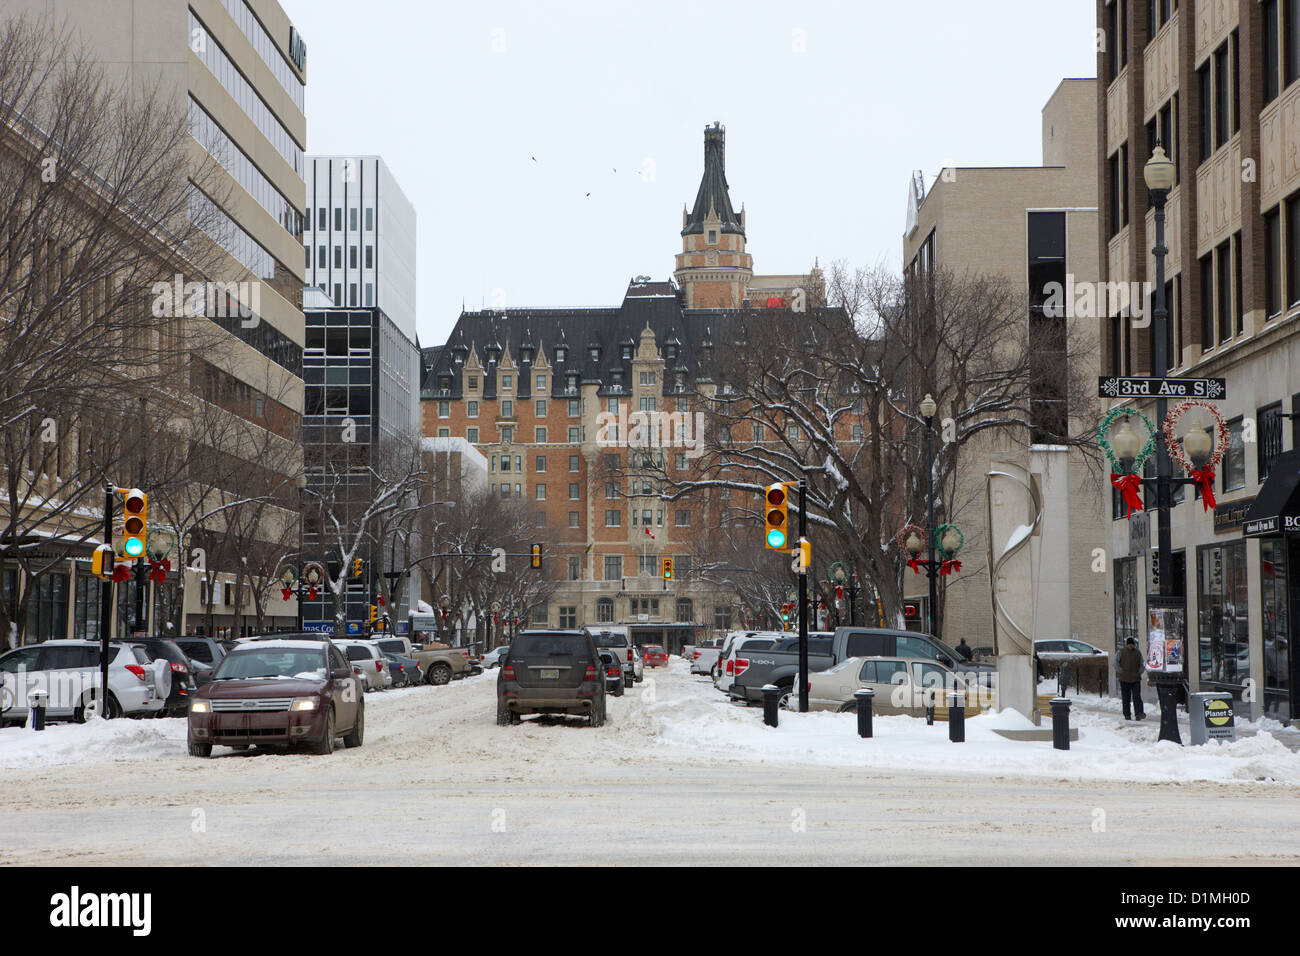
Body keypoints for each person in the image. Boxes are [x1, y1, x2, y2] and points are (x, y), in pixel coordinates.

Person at [1116, 637, 1146, 720]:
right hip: (1124, 679)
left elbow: (1142, 663)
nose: (1131, 645)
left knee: (1137, 697)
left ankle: (1139, 713)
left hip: (1135, 678)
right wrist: (1121, 671)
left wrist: (1140, 671)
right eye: (1129, 644)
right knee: (1126, 698)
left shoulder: (1137, 652)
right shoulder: (1121, 652)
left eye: (1132, 644)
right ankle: (1127, 714)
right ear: (1127, 644)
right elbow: (1116, 663)